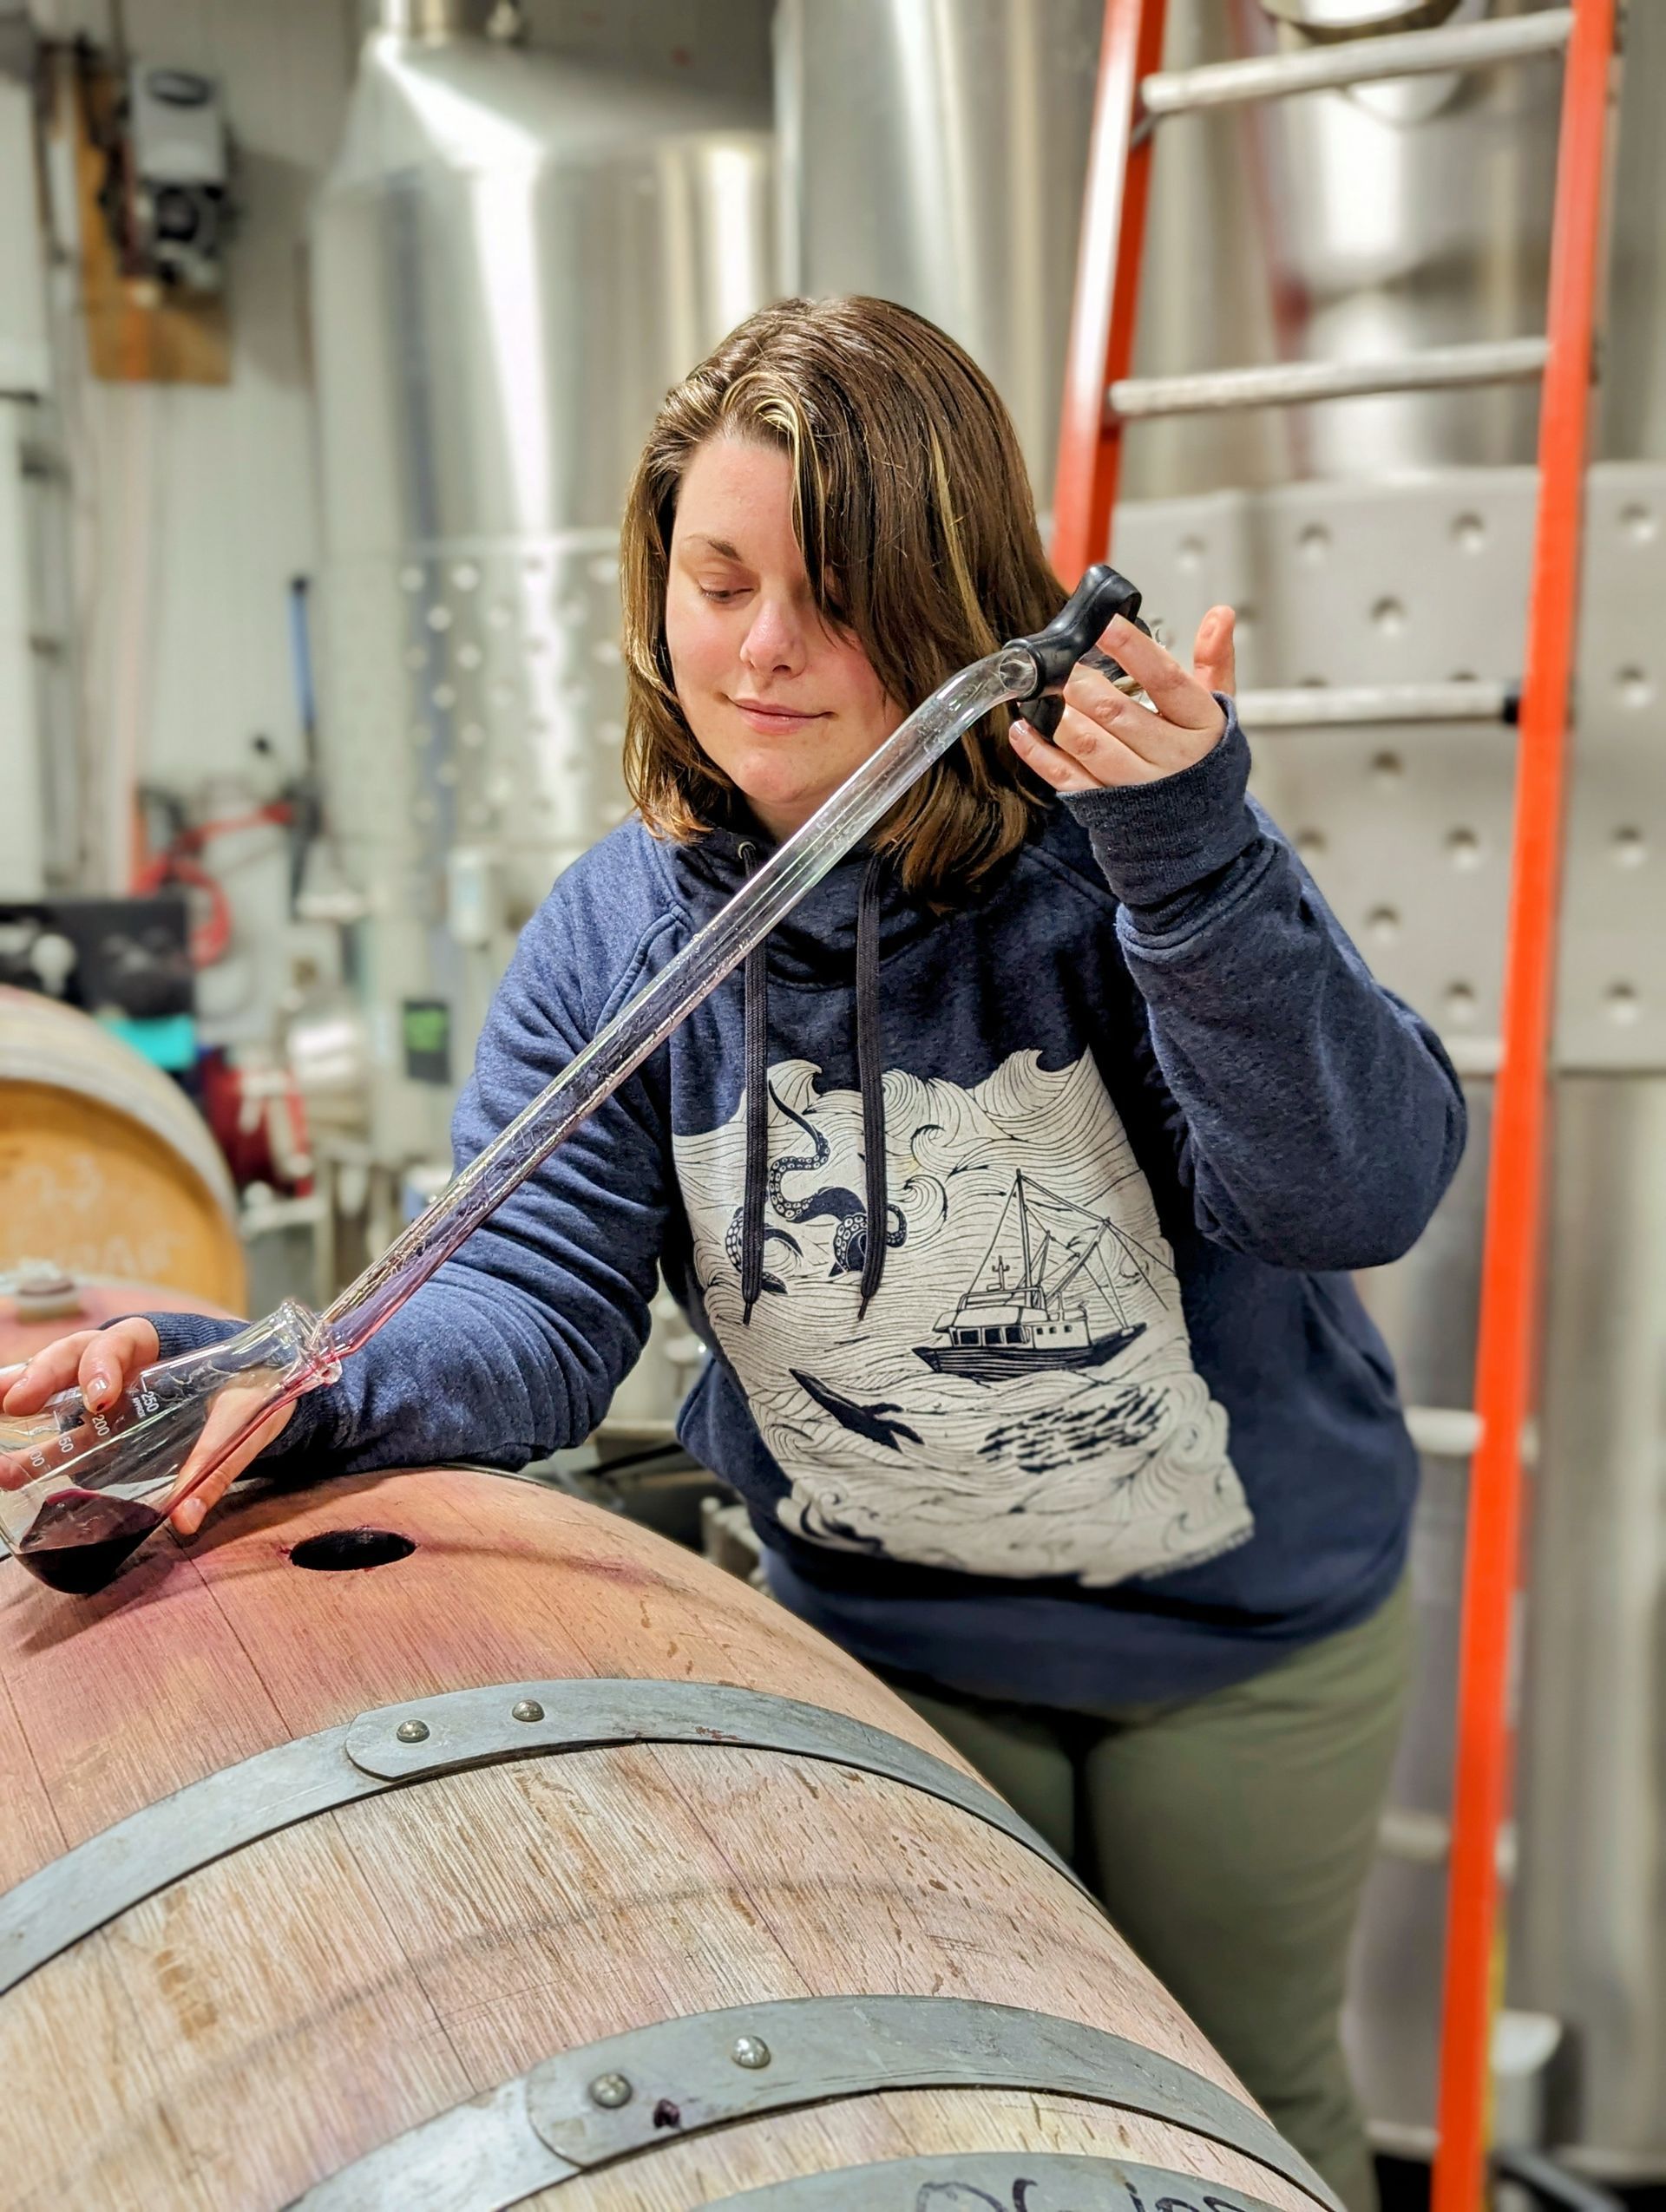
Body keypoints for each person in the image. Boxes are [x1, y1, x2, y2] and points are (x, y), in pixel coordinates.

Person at [3, 296, 1461, 2208]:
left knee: (1256, 2099)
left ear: (949, 604)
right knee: (974, 2127)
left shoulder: (1118, 869)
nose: (764, 649)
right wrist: (282, 1381)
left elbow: (1350, 1192)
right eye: (719, 576)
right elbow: (534, 1310)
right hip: (885, 1648)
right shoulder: (620, 937)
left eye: (836, 593)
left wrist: (1191, 856)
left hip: (1246, 1652)